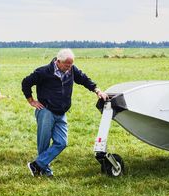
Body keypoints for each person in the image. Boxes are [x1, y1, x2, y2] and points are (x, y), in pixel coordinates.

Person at [21, 48, 108, 177]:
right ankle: (45, 171)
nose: (69, 68)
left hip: (61, 112)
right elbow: (26, 82)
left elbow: (84, 79)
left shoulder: (71, 70)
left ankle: (36, 165)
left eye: (71, 64)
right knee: (44, 143)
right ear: (58, 61)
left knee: (62, 142)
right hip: (46, 111)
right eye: (67, 65)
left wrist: (97, 90)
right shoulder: (43, 72)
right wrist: (31, 100)